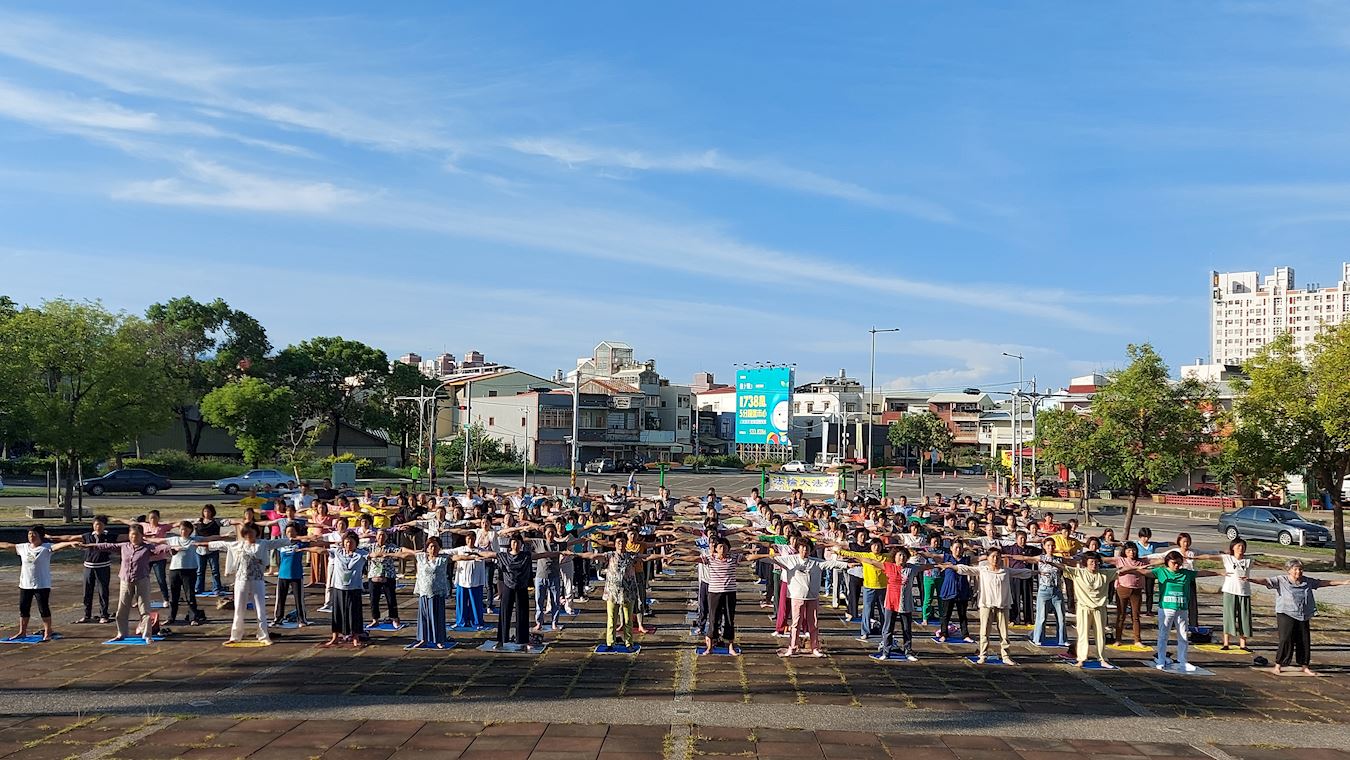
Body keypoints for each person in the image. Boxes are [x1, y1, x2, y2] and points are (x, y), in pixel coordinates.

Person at [1252, 559, 1350, 676]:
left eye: (1300, 569)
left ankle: (1304, 666)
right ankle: (1278, 665)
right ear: (1289, 570)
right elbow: (1266, 581)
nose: (1298, 572)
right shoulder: (1281, 580)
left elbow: (1323, 583)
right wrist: (1251, 580)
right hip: (1285, 612)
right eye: (1295, 569)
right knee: (1285, 639)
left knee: (1304, 640)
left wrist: (1343, 582)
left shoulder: (1307, 581)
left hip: (1303, 614)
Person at [198, 525, 292, 645]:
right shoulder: (238, 545)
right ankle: (235, 636)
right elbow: (221, 544)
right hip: (241, 580)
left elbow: (279, 542)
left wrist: (296, 539)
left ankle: (263, 635)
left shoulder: (262, 544)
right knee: (239, 608)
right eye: (247, 534)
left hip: (257, 580)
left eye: (252, 533)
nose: (250, 536)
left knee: (260, 608)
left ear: (256, 533)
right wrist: (200, 544)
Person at [83, 525, 173, 641]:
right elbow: (106, 545)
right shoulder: (124, 546)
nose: (133, 537)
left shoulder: (147, 547)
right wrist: (88, 546)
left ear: (142, 536)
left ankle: (147, 635)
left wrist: (171, 548)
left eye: (136, 535)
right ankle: (121, 633)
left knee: (144, 608)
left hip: (141, 580)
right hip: (125, 580)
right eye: (131, 535)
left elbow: (160, 548)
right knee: (122, 608)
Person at [950, 547, 1035, 664]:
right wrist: (952, 566)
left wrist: (1036, 572)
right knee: (984, 631)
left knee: (1004, 633)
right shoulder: (983, 569)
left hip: (1002, 604)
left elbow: (1021, 572)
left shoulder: (1005, 570)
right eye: (993, 556)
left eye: (997, 557)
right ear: (988, 558)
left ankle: (1006, 656)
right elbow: (967, 569)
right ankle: (983, 655)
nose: (995, 559)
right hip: (986, 604)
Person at [771, 538, 852, 657]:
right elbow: (773, 559)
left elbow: (831, 563)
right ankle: (792, 647)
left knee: (813, 624)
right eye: (802, 548)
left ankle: (815, 647)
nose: (805, 551)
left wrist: (847, 564)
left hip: (812, 597)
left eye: (807, 548)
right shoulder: (790, 559)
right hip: (797, 596)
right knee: (796, 623)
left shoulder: (816, 562)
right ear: (798, 549)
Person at [0, 526, 80, 641]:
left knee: (43, 609)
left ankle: (48, 632)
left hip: (42, 584)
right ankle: (22, 632)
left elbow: (58, 546)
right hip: (25, 584)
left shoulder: (46, 547)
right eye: (29, 534)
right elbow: (7, 545)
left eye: (34, 534)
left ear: (40, 536)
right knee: (24, 609)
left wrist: (71, 543)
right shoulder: (23, 547)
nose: (31, 536)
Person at [855, 546, 931, 660]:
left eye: (904, 556)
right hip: (891, 602)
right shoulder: (889, 566)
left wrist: (940, 565)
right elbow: (872, 561)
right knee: (888, 628)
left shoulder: (912, 568)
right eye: (899, 555)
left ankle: (908, 652)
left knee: (907, 629)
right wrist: (856, 557)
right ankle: (886, 652)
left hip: (905, 603)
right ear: (894, 557)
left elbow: (925, 567)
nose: (902, 558)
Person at [380, 538, 454, 648]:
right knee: (424, 617)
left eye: (435, 546)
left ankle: (439, 640)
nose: (433, 549)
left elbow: (458, 557)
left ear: (439, 548)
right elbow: (404, 555)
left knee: (437, 617)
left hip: (437, 593)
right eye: (431, 546)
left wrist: (475, 556)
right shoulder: (421, 557)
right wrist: (388, 554)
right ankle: (423, 639)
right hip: (424, 592)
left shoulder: (443, 559)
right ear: (427, 548)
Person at [315, 531, 370, 648]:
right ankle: (335, 637)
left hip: (354, 588)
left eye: (351, 542)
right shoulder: (337, 552)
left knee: (354, 613)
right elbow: (321, 550)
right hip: (339, 587)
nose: (349, 544)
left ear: (356, 543)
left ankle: (355, 637)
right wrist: (304, 549)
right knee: (337, 613)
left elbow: (373, 555)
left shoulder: (361, 554)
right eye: (347, 542)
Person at [1063, 552, 1117, 668]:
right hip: (1083, 608)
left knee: (1100, 635)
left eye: (1096, 562)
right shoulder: (1078, 573)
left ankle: (1102, 659)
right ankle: (1081, 659)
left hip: (1099, 608)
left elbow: (1122, 570)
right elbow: (1063, 567)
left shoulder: (1105, 573)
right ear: (1086, 563)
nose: (1094, 564)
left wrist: (1138, 567)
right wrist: (1049, 561)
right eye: (1091, 562)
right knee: (1083, 634)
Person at [154, 521, 204, 629]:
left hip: (190, 570)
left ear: (190, 530)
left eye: (186, 529)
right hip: (175, 570)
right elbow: (158, 540)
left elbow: (210, 539)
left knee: (190, 595)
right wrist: (143, 538)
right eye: (181, 529)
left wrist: (224, 536)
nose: (183, 531)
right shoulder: (174, 539)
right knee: (174, 596)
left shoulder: (194, 540)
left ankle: (193, 618)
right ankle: (171, 618)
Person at [1106, 543, 1148, 647]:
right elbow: (1105, 559)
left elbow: (1156, 559)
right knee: (1121, 615)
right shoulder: (1120, 560)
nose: (1131, 552)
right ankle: (1118, 639)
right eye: (1129, 550)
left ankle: (1137, 640)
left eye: (1133, 550)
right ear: (1125, 551)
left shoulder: (1141, 561)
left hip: (1136, 590)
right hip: (1122, 589)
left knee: (1136, 616)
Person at [76, 516, 114, 624]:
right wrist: (51, 537)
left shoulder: (109, 536)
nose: (98, 527)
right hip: (88, 567)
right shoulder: (87, 536)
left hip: (103, 567)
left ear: (104, 525)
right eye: (96, 524)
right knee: (87, 592)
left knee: (103, 592)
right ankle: (87, 615)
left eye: (100, 524)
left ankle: (104, 615)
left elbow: (126, 537)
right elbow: (70, 538)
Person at [273, 524, 312, 627]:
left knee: (299, 599)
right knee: (280, 599)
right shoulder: (281, 544)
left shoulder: (300, 544)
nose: (289, 534)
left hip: (296, 575)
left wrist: (298, 538)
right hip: (282, 575)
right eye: (288, 532)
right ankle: (278, 618)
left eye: (292, 531)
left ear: (296, 532)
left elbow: (313, 540)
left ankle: (302, 620)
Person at [1031, 538, 1066, 646]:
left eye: (1052, 545)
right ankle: (1038, 638)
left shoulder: (1059, 559)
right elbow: (1025, 558)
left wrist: (1053, 563)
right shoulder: (1040, 558)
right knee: (1041, 617)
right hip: (1044, 590)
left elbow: (1066, 566)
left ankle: (1062, 639)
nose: (1051, 548)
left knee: (1061, 617)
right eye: (1048, 545)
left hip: (1056, 590)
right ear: (1044, 547)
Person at [1220, 539, 1253, 650]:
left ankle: (1243, 644)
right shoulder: (1227, 558)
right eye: (1238, 546)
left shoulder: (1248, 560)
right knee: (1229, 617)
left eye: (1243, 546)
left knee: (1244, 618)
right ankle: (1226, 643)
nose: (1241, 548)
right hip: (1230, 591)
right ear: (1233, 547)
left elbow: (1265, 564)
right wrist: (1193, 558)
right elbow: (1209, 557)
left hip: (1244, 592)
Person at [366, 530, 402, 628]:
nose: (381, 537)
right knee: (373, 600)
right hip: (374, 576)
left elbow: (400, 551)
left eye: (383, 535)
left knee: (391, 599)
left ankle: (394, 618)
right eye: (379, 535)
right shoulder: (371, 547)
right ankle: (375, 619)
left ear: (386, 537)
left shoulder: (391, 547)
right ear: (376, 537)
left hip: (388, 576)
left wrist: (390, 555)